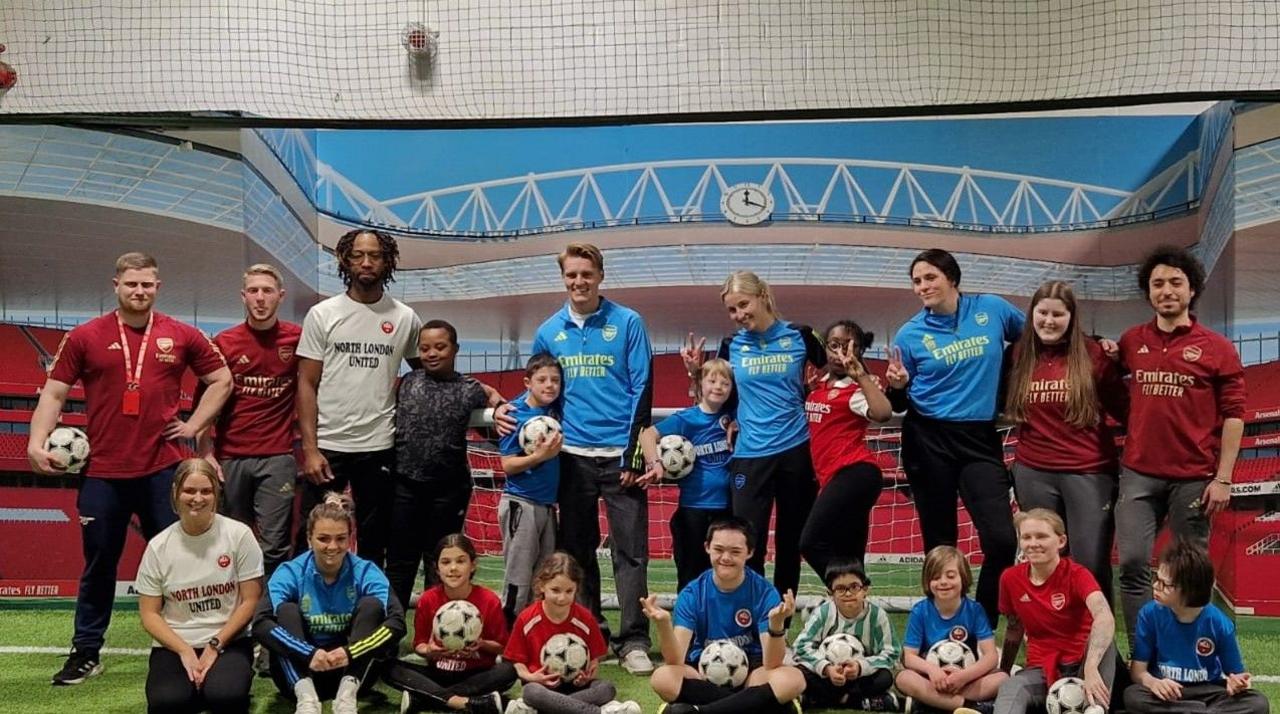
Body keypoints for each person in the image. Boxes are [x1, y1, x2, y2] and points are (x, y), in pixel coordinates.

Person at [27, 251, 233, 686]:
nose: (139, 291)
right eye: (131, 284)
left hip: (164, 470)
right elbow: (54, 394)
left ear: (157, 287)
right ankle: (86, 651)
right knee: (99, 563)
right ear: (116, 285)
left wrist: (196, 425)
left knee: (183, 562)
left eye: (147, 284)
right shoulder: (84, 335)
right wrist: (34, 441)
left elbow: (222, 379)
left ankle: (190, 645)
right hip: (103, 471)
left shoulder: (180, 333)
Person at [498, 243, 655, 674]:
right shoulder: (550, 330)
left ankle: (635, 639)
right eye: (571, 275)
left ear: (600, 275)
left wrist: (635, 455)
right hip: (571, 458)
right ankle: (592, 631)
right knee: (578, 552)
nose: (579, 282)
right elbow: (539, 388)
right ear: (563, 278)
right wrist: (499, 408)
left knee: (632, 554)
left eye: (586, 273)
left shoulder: (628, 323)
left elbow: (643, 386)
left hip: (619, 456)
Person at [1114, 245, 1246, 642]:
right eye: (1157, 284)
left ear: (1192, 290)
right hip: (1138, 474)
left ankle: (1186, 649)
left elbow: (1235, 415)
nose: (1166, 290)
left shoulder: (1217, 347)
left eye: (1175, 282)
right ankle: (1144, 650)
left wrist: (1223, 479)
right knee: (1134, 563)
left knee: (1188, 571)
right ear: (1148, 292)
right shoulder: (1130, 341)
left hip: (1193, 477)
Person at [886, 248, 1024, 627]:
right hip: (926, 438)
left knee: (1001, 539)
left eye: (929, 277)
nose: (922, 287)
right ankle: (947, 625)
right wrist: (897, 386)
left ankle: (983, 622)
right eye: (916, 281)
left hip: (979, 438)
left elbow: (1038, 339)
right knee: (941, 545)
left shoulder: (993, 309)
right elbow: (898, 399)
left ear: (952, 278)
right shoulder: (909, 333)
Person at [681, 271, 825, 599]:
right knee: (748, 543)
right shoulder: (732, 345)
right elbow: (718, 398)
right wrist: (696, 377)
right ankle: (754, 618)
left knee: (791, 542)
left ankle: (781, 627)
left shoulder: (801, 335)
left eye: (743, 304)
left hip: (796, 452)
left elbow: (835, 371)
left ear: (762, 296)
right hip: (749, 456)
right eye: (732, 310)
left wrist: (815, 394)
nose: (739, 315)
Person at [295, 228, 423, 570]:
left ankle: (366, 614)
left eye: (375, 255)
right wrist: (310, 449)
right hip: (328, 447)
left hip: (379, 446)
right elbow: (306, 383)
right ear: (344, 260)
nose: (366, 263)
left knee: (374, 540)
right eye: (358, 255)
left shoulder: (405, 318)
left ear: (388, 261)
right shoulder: (323, 314)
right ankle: (309, 613)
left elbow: (430, 369)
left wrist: (481, 389)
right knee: (313, 539)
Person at [1003, 280, 1128, 604]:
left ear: (1071, 317)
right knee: (1044, 563)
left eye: (1057, 314)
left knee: (1090, 564)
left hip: (1088, 472)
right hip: (1034, 472)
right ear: (1032, 315)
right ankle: (1057, 647)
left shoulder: (1093, 355)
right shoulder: (1017, 354)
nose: (1048, 321)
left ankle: (1102, 652)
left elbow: (1126, 409)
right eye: (1042, 313)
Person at [385, 319, 504, 610]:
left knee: (439, 562)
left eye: (440, 347)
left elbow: (494, 406)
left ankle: (436, 629)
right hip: (405, 487)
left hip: (449, 490)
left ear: (455, 349)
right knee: (400, 562)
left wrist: (496, 400)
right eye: (425, 348)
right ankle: (390, 633)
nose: (432, 353)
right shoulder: (409, 382)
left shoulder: (469, 389)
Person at [254, 493, 406, 714]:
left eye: (340, 538)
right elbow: (260, 624)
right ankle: (306, 699)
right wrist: (307, 653)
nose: (332, 546)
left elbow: (398, 623)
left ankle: (346, 698)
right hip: (301, 671)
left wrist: (351, 652)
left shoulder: (365, 571)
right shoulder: (290, 571)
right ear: (309, 539)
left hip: (351, 670)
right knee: (286, 610)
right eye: (323, 538)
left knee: (372, 606)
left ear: (350, 539)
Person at [198, 263, 302, 581]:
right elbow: (205, 403)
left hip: (278, 457)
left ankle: (268, 614)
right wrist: (205, 452)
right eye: (253, 291)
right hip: (231, 457)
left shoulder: (297, 339)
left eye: (267, 291)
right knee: (230, 542)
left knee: (274, 545)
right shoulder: (224, 342)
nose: (260, 298)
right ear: (243, 296)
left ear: (280, 297)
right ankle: (234, 618)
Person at [642, 516, 807, 714]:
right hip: (704, 672)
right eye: (719, 549)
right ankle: (762, 707)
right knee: (662, 677)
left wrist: (776, 625)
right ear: (707, 547)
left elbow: (772, 663)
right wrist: (664, 625)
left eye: (735, 552)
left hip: (751, 674)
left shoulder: (764, 592)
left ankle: (699, 711)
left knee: (794, 679)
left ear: (750, 552)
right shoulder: (692, 593)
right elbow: (675, 660)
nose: (726, 558)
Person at [137, 459, 264, 714]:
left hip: (228, 639)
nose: (198, 498)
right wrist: (184, 650)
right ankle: (192, 689)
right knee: (167, 703)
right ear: (175, 493)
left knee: (225, 697)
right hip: (175, 642)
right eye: (189, 491)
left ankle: (213, 685)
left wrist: (214, 646)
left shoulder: (239, 535)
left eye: (206, 491)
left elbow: (251, 600)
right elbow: (149, 614)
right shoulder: (158, 546)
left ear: (216, 494)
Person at [1124, 540, 1269, 714]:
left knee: (1258, 703)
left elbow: (1236, 675)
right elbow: (1138, 672)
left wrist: (1238, 684)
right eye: (1156, 578)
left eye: (1165, 584)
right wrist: (1154, 683)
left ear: (1189, 591)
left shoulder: (1219, 623)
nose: (1155, 586)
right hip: (1167, 692)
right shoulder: (1149, 614)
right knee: (1132, 696)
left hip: (1209, 691)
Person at [995, 508, 1117, 714]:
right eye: (1026, 537)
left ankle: (1095, 707)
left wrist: (1091, 667)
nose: (1033, 543)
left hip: (1084, 664)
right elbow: (1014, 629)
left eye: (1041, 536)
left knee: (1107, 641)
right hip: (1041, 669)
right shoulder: (1010, 578)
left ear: (1061, 541)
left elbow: (1104, 615)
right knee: (1011, 687)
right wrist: (1004, 672)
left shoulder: (1078, 574)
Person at [799, 320, 892, 577]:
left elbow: (883, 413)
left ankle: (846, 592)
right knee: (849, 553)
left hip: (855, 473)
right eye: (834, 345)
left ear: (859, 351)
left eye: (849, 347)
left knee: (810, 543)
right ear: (825, 348)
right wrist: (809, 389)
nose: (840, 353)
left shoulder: (858, 388)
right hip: (832, 477)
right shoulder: (818, 387)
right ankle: (855, 608)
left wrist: (861, 376)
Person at [384, 534, 515, 714]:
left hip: (477, 675)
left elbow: (502, 647)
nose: (453, 568)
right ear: (437, 569)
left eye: (460, 561)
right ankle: (468, 703)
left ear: (473, 565)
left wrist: (482, 643)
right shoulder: (428, 599)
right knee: (388, 667)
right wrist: (430, 650)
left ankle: (425, 699)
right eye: (445, 562)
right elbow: (419, 644)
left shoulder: (489, 600)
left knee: (509, 670)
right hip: (438, 674)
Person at [637, 357, 735, 590]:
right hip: (693, 510)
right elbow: (647, 435)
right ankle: (687, 624)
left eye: (725, 382)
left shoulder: (734, 417)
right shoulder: (687, 419)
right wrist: (656, 464)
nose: (718, 387)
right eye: (712, 381)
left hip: (727, 510)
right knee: (691, 577)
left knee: (724, 577)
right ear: (700, 384)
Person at [502, 552, 642, 714]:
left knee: (606, 688)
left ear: (576, 589)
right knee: (531, 692)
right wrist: (531, 677)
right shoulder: (527, 618)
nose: (562, 598)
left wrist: (587, 676)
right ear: (542, 586)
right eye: (555, 590)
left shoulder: (585, 619)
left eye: (569, 591)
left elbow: (595, 660)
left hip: (576, 688)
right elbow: (517, 662)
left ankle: (543, 710)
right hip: (543, 687)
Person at [894, 545, 1007, 713]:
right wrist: (932, 670)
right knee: (904, 678)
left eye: (951, 576)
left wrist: (963, 676)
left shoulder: (975, 610)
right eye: (936, 577)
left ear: (963, 578)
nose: (943, 582)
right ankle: (971, 707)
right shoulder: (920, 611)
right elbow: (909, 657)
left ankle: (931, 704)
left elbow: (990, 656)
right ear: (927, 581)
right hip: (931, 679)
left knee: (1002, 678)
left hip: (966, 680)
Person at [498, 353, 564, 623]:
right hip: (520, 503)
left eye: (555, 380)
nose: (549, 385)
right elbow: (507, 465)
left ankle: (534, 630)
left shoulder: (555, 412)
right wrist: (539, 457)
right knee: (519, 575)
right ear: (527, 382)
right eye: (542, 380)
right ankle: (508, 632)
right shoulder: (514, 414)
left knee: (543, 575)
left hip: (547, 506)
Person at [792, 558, 900, 712]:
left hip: (860, 678)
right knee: (799, 671)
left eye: (854, 587)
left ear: (865, 589)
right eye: (841, 588)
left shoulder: (878, 616)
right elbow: (800, 646)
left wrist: (860, 667)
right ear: (830, 593)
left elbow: (892, 652)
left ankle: (816, 699)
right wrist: (826, 668)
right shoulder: (823, 613)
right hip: (826, 677)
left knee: (885, 677)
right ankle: (857, 701)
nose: (848, 593)